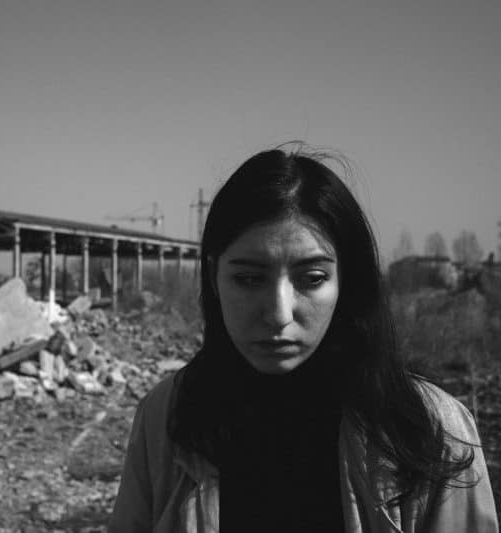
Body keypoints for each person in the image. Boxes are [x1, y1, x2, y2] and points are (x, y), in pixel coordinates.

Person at [109, 145, 497, 532]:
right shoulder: (167, 418)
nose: (279, 314)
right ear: (214, 278)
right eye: (248, 279)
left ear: (347, 281)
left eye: (311, 279)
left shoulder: (433, 429)